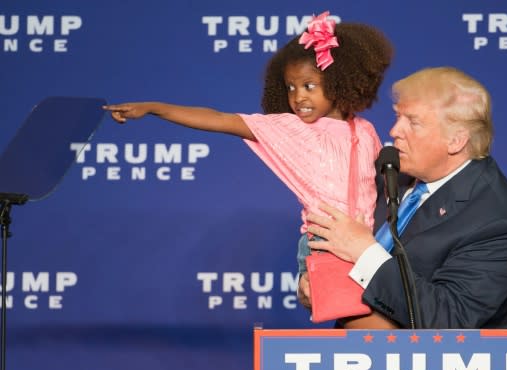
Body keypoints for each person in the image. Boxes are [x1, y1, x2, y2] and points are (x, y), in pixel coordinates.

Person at [103, 11, 393, 276]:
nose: (298, 97)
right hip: (325, 244)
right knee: (359, 325)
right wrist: (155, 107)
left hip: (366, 242)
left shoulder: (364, 130)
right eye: (290, 87)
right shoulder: (291, 129)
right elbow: (218, 118)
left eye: (308, 86)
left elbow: (383, 187)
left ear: (339, 80)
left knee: (373, 327)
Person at [302, 67, 507, 329]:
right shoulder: (387, 173)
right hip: (354, 359)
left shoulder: (497, 217)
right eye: (397, 117)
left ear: (456, 141)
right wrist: (316, 285)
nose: (395, 130)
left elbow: (451, 319)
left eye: (413, 122)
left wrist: (365, 251)